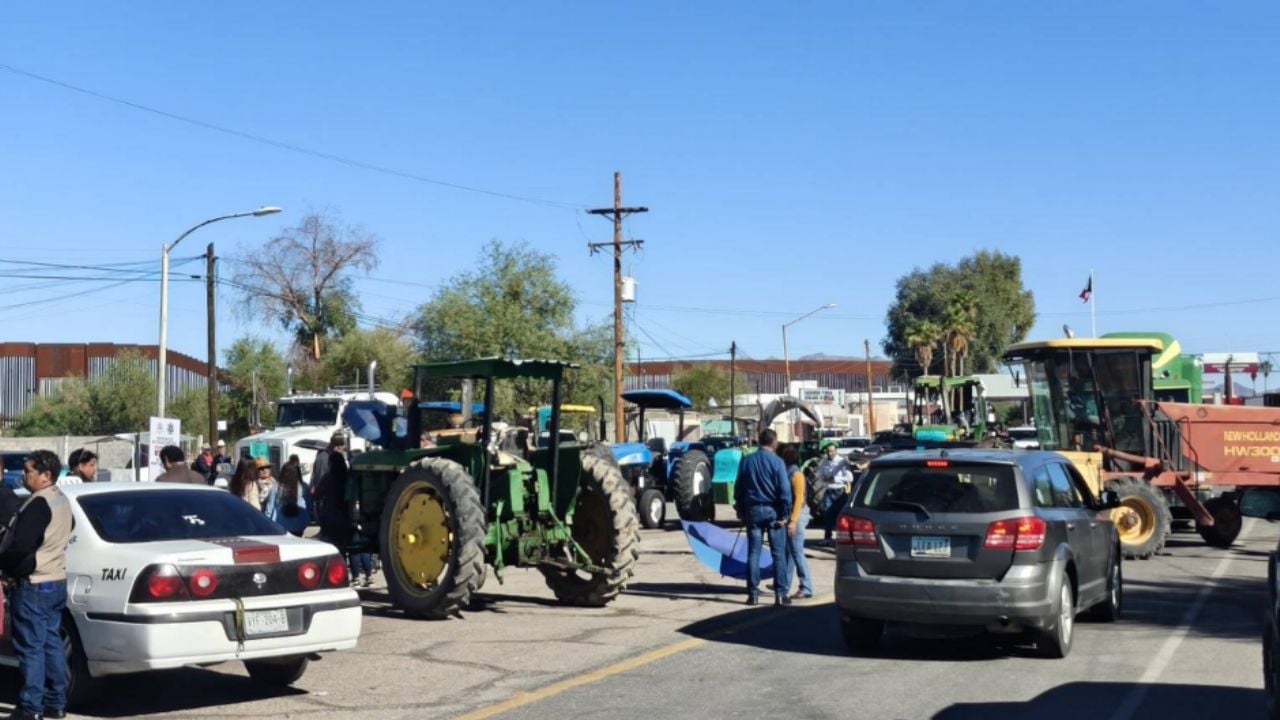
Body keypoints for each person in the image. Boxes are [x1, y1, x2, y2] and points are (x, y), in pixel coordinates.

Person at [0, 450, 73, 720]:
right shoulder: (60, 500)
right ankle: (56, 702)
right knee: (50, 643)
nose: (23, 474)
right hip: (55, 580)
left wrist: (7, 566)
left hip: (34, 583)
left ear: (46, 476)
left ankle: (31, 707)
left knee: (31, 646)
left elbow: (20, 545)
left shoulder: (39, 504)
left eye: (29, 470)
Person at [732, 429, 792, 607]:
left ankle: (753, 594)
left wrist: (741, 511)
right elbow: (784, 491)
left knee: (753, 553)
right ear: (774, 443)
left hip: (753, 511)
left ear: (759, 441)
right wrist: (785, 513)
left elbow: (738, 489)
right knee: (778, 554)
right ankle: (780, 594)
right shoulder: (777, 462)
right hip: (773, 511)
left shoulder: (747, 461)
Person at [776, 445, 813, 600]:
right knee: (788, 552)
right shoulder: (787, 472)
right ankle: (784, 584)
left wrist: (792, 521)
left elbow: (798, 499)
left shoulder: (796, 474)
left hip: (797, 515)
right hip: (791, 515)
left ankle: (806, 587)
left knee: (796, 551)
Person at [312, 433, 350, 547]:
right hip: (344, 513)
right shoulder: (346, 477)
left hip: (329, 513)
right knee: (342, 545)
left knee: (330, 545)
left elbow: (317, 493)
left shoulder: (328, 477)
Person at [817, 441, 854, 545]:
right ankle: (827, 538)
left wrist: (835, 478)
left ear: (836, 451)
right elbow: (820, 476)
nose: (830, 453)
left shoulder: (842, 462)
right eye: (828, 451)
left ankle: (842, 538)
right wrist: (824, 478)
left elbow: (850, 478)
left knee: (841, 516)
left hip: (840, 492)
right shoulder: (824, 462)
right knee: (827, 514)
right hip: (828, 491)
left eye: (832, 451)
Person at [265, 455, 309, 536]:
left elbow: (269, 509)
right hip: (299, 525)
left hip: (280, 525)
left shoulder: (276, 488)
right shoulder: (303, 487)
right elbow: (309, 506)